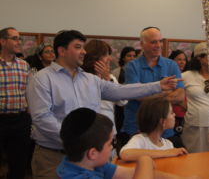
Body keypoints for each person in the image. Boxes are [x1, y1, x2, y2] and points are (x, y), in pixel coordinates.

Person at [26, 30, 179, 179]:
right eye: (78, 47)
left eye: (84, 47)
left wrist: (157, 85)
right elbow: (42, 119)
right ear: (62, 50)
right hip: (54, 157)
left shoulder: (90, 80)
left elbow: (121, 91)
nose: (84, 52)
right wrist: (79, 142)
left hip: (91, 156)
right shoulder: (42, 79)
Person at [57, 107, 190, 179]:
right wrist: (145, 160)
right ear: (93, 153)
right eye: (111, 143)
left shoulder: (91, 164)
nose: (112, 148)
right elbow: (143, 170)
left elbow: (133, 174)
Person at [118, 27, 185, 152]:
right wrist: (167, 93)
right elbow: (137, 95)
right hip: (137, 128)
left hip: (165, 130)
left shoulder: (171, 65)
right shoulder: (132, 66)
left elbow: (180, 95)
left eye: (160, 41)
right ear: (142, 44)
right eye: (154, 42)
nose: (158, 45)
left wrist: (150, 95)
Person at [0, 27, 31, 179]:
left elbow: (29, 94)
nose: (18, 42)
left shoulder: (24, 65)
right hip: (0, 119)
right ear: (2, 41)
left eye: (19, 38)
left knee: (18, 164)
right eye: (14, 38)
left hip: (20, 120)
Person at [120, 97, 188, 162]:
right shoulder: (140, 140)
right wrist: (165, 152)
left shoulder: (168, 144)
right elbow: (125, 154)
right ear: (162, 121)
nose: (174, 115)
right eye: (171, 112)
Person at [82, 39, 127, 132]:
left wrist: (107, 79)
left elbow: (123, 101)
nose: (109, 58)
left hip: (109, 129)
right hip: (88, 128)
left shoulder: (111, 77)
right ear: (95, 57)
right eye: (106, 55)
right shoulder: (81, 77)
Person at [181, 42, 209, 153]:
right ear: (199, 57)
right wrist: (188, 108)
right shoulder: (186, 76)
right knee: (194, 157)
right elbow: (175, 96)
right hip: (195, 124)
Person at [168, 50, 188, 137]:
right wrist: (187, 107)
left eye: (184, 60)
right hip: (172, 115)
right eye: (179, 59)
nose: (182, 62)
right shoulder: (169, 77)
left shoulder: (187, 75)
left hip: (185, 117)